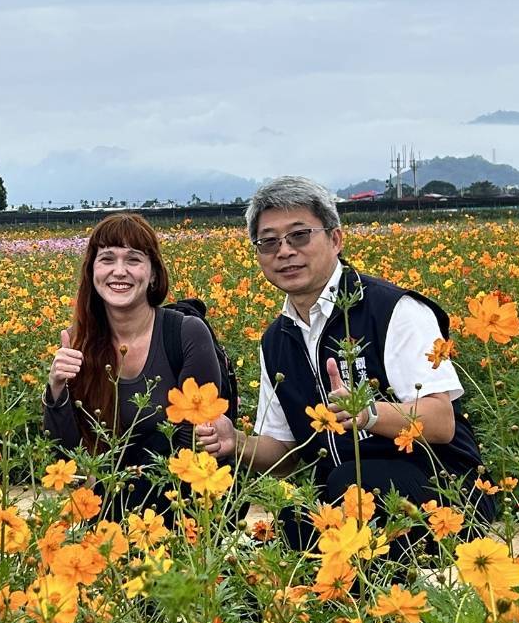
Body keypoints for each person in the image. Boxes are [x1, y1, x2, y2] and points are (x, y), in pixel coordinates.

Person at [197, 176, 487, 549]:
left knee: (350, 485)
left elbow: (441, 422)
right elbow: (285, 454)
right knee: (294, 524)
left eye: (299, 235)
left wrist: (368, 413)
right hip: (345, 494)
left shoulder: (394, 309)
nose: (284, 251)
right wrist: (234, 442)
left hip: (441, 494)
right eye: (268, 242)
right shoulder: (276, 340)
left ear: (335, 239)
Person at [44, 213, 223, 515]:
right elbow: (66, 459)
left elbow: (197, 434)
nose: (119, 271)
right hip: (107, 503)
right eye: (107, 259)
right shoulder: (78, 342)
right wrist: (57, 389)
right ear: (92, 272)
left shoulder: (185, 333)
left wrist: (117, 485)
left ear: (153, 273)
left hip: (180, 503)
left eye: (133, 259)